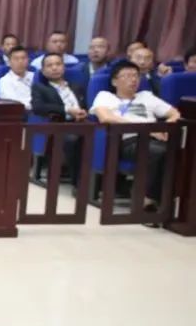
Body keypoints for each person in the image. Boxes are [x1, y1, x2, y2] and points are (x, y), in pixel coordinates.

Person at [90, 60, 180, 209]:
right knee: (160, 152)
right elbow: (105, 117)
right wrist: (146, 130)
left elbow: (175, 113)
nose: (133, 80)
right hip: (127, 140)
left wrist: (166, 128)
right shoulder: (105, 96)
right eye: (127, 76)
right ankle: (147, 198)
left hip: (154, 138)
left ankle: (176, 200)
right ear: (114, 81)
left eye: (136, 76)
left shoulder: (146, 96)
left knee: (179, 151)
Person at [33, 53, 87, 183]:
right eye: (50, 65)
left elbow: (86, 105)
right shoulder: (40, 88)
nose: (54, 68)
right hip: (61, 125)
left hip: (83, 123)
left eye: (58, 64)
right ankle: (79, 182)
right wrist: (67, 110)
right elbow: (38, 107)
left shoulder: (76, 86)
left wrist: (84, 112)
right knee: (73, 139)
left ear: (63, 67)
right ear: (43, 71)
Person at [0, 45, 34, 109]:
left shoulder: (34, 76)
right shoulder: (4, 81)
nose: (20, 61)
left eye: (23, 58)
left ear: (28, 60)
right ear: (9, 62)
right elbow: (13, 104)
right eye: (16, 59)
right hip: (19, 112)